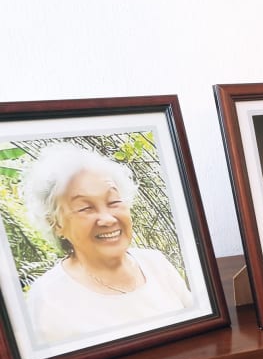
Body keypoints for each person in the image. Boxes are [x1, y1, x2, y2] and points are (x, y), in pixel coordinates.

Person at [23, 143, 193, 346]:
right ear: (55, 223)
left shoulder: (156, 263)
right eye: (85, 208)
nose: (107, 219)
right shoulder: (47, 298)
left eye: (113, 202)